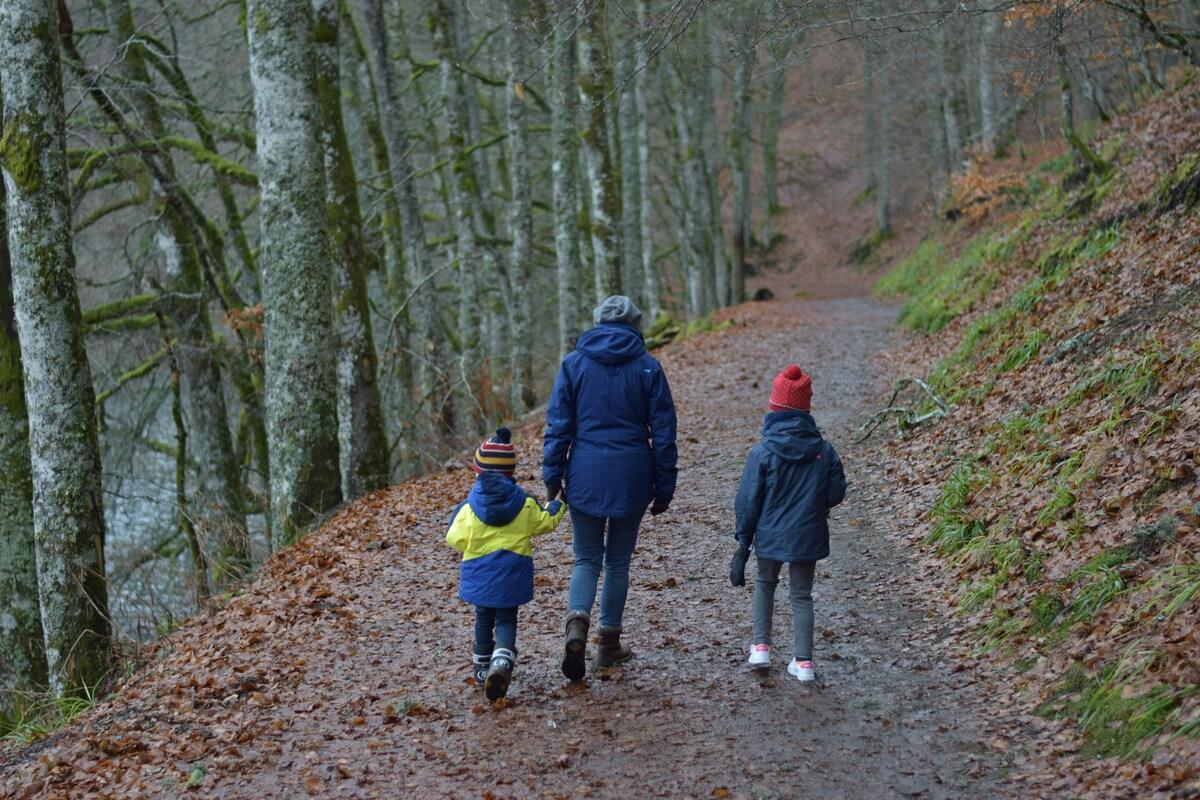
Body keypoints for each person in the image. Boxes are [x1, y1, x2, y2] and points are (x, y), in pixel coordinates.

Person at [543, 296, 678, 681]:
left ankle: (576, 625)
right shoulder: (649, 368)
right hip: (631, 475)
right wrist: (664, 483)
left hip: (583, 473)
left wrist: (553, 477)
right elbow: (664, 432)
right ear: (635, 325)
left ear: (597, 322)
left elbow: (558, 428)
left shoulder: (574, 365)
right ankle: (607, 644)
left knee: (586, 558)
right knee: (618, 561)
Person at [729, 365, 846, 683]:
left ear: (775, 408)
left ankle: (761, 647)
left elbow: (748, 500)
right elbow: (837, 492)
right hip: (807, 533)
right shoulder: (824, 450)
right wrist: (814, 504)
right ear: (805, 410)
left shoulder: (763, 452)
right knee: (801, 595)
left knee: (765, 584)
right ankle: (804, 662)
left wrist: (744, 539)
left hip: (770, 532)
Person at [446, 428, 567, 700]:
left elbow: (454, 538)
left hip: (480, 575)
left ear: (478, 472)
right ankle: (501, 662)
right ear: (510, 473)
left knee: (483, 616)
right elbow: (545, 522)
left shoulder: (468, 509)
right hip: (512, 574)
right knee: (506, 618)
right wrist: (558, 506)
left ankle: (481, 667)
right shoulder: (524, 504)